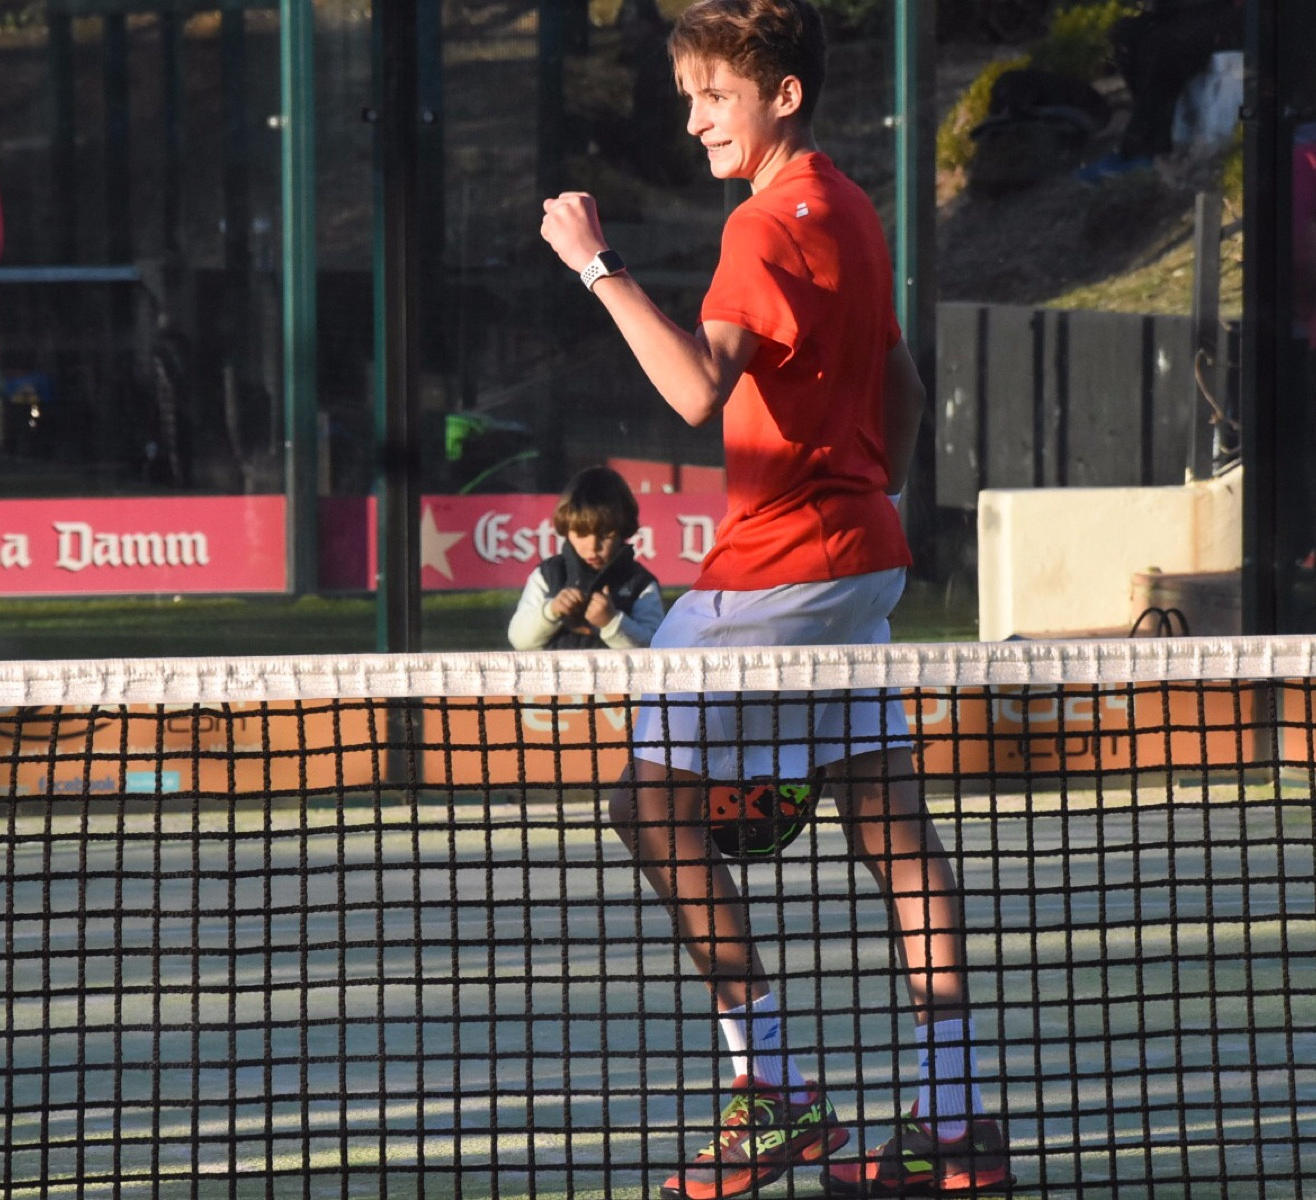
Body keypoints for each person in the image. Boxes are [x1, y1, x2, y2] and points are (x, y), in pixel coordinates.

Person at [538, 3, 1010, 1197]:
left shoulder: (758, 225)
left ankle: (774, 1091)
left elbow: (696, 389)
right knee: (892, 829)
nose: (696, 119)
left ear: (782, 95)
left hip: (779, 571)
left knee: (648, 808)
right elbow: (902, 384)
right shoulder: (848, 207)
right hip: (863, 561)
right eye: (690, 97)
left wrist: (596, 266)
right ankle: (951, 1123)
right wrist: (868, 493)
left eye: (715, 96)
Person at [507, 465, 665, 651]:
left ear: (623, 530)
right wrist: (551, 610)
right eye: (581, 534)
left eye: (605, 535)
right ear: (566, 530)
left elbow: (656, 647)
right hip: (557, 671)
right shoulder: (548, 575)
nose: (592, 546)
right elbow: (519, 640)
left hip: (618, 671)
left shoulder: (640, 584)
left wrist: (611, 622)